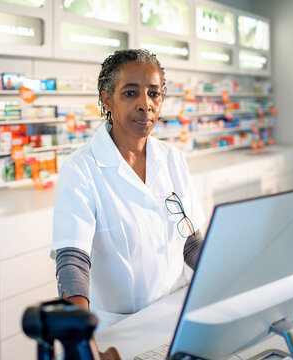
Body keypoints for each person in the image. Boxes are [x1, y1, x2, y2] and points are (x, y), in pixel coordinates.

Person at [50, 49, 205, 357]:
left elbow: (191, 244)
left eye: (154, 93)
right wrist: (82, 342)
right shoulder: (81, 169)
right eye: (130, 93)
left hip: (178, 314)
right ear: (107, 99)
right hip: (120, 332)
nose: (145, 104)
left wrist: (232, 284)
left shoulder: (173, 159)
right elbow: (72, 262)